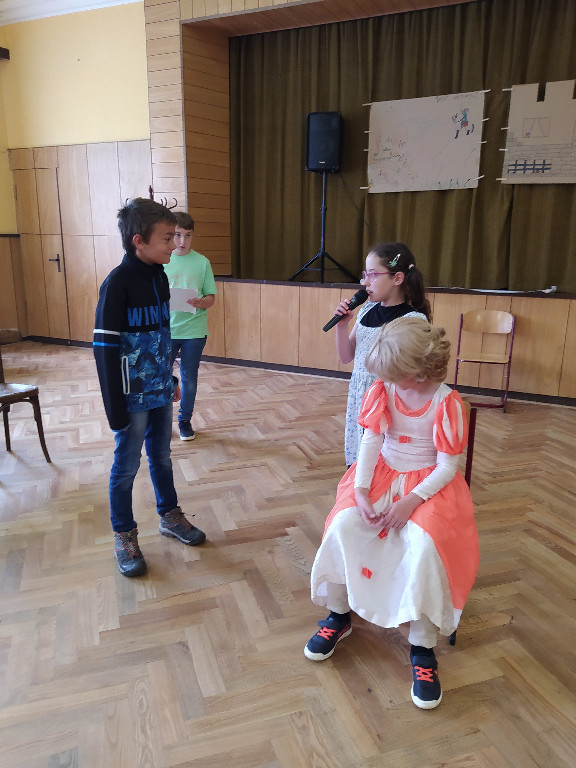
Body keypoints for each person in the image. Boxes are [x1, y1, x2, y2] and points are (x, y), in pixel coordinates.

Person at [304, 316, 479, 710]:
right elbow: (371, 441)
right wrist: (361, 490)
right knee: (344, 524)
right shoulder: (384, 389)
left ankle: (422, 646)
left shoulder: (445, 402)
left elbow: (447, 466)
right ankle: (338, 614)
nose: (387, 382)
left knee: (424, 545)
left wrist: (410, 501)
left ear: (420, 372)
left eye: (396, 376)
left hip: (428, 486)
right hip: (382, 476)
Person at [94, 198, 206, 578]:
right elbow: (104, 349)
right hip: (130, 398)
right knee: (126, 467)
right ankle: (124, 535)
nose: (175, 244)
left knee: (161, 456)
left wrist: (170, 378)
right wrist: (115, 409)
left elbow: (163, 335)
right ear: (139, 241)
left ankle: (169, 515)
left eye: (176, 236)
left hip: (159, 389)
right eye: (167, 238)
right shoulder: (117, 284)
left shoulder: (160, 276)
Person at [332, 242, 430, 466]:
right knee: (361, 461)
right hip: (361, 396)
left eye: (373, 275)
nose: (366, 282)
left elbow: (415, 374)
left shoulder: (412, 321)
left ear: (398, 278)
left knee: (383, 460)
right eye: (365, 275)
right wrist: (341, 326)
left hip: (389, 400)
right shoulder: (366, 310)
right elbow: (346, 357)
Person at [164, 211, 217, 441]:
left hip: (194, 329)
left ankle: (184, 421)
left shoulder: (202, 262)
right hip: (166, 330)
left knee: (189, 377)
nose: (182, 241)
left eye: (188, 235)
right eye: (177, 235)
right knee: (162, 375)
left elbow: (211, 298)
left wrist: (202, 302)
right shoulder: (162, 260)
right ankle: (162, 421)